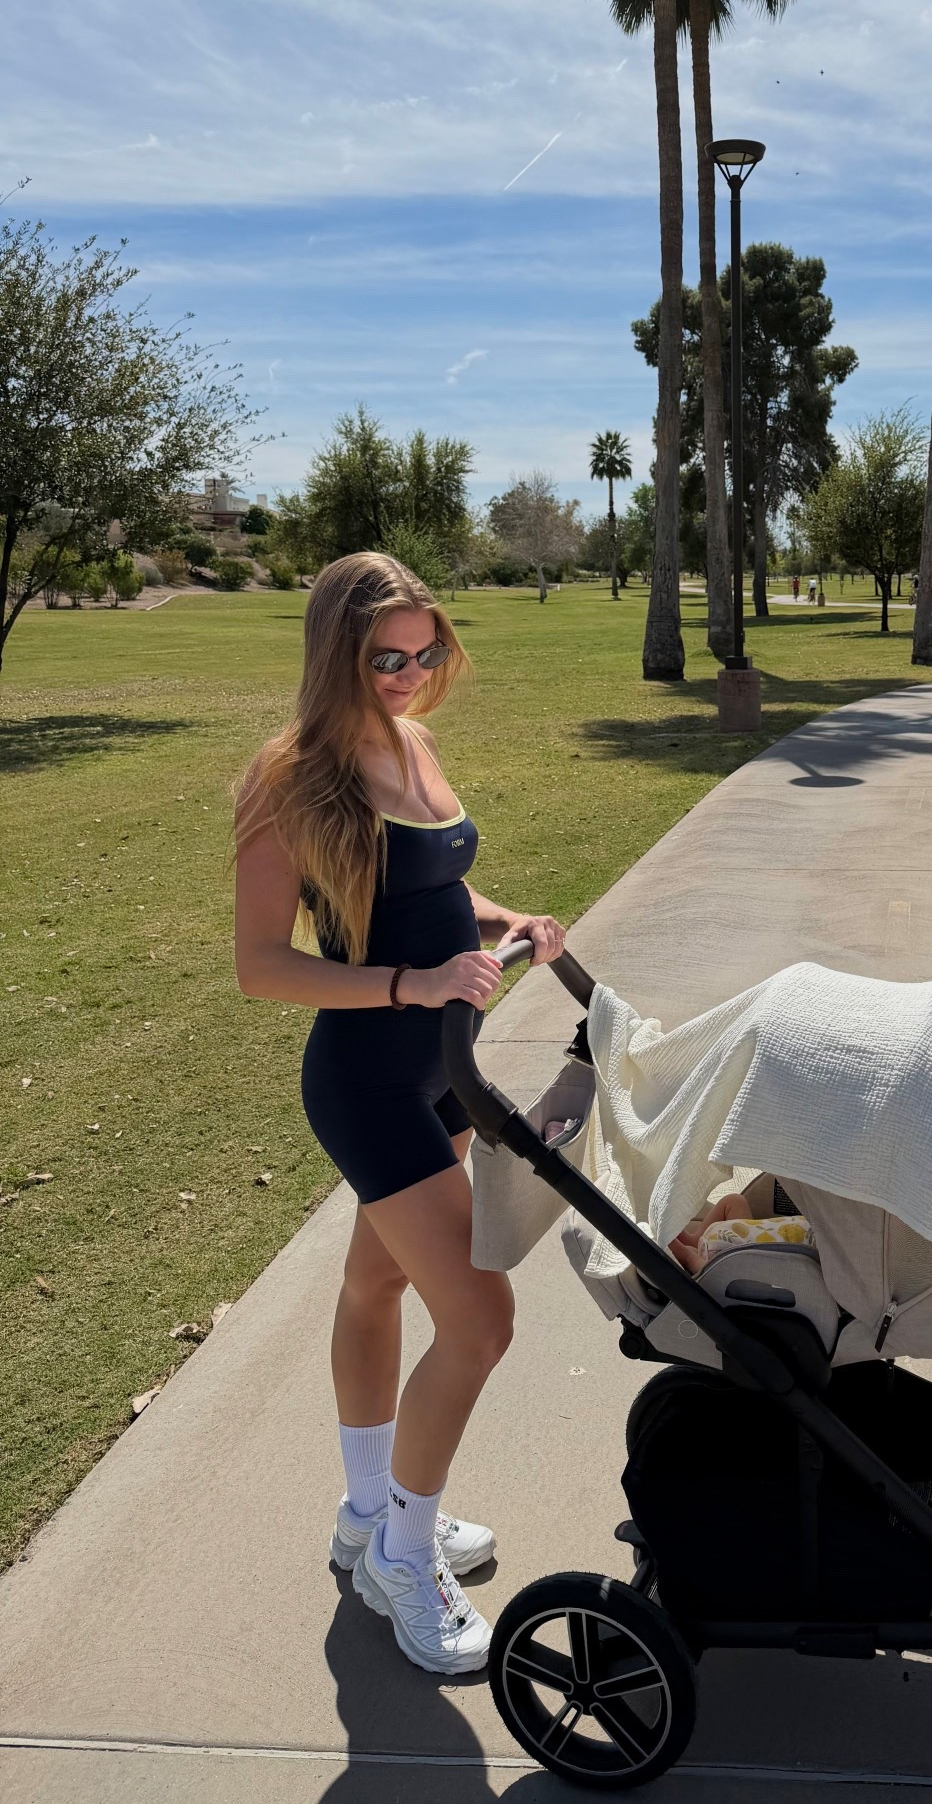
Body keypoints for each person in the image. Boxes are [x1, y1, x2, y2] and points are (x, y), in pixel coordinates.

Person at [234, 552, 566, 1676]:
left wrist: (505, 911)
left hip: (443, 1069)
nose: (414, 674)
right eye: (389, 657)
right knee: (481, 1318)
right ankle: (400, 1557)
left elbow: (430, 885)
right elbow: (259, 966)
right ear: (338, 650)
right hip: (370, 1075)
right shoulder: (289, 777)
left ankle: (365, 1512)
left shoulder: (412, 741)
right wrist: (408, 985)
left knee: (376, 1283)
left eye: (429, 653)